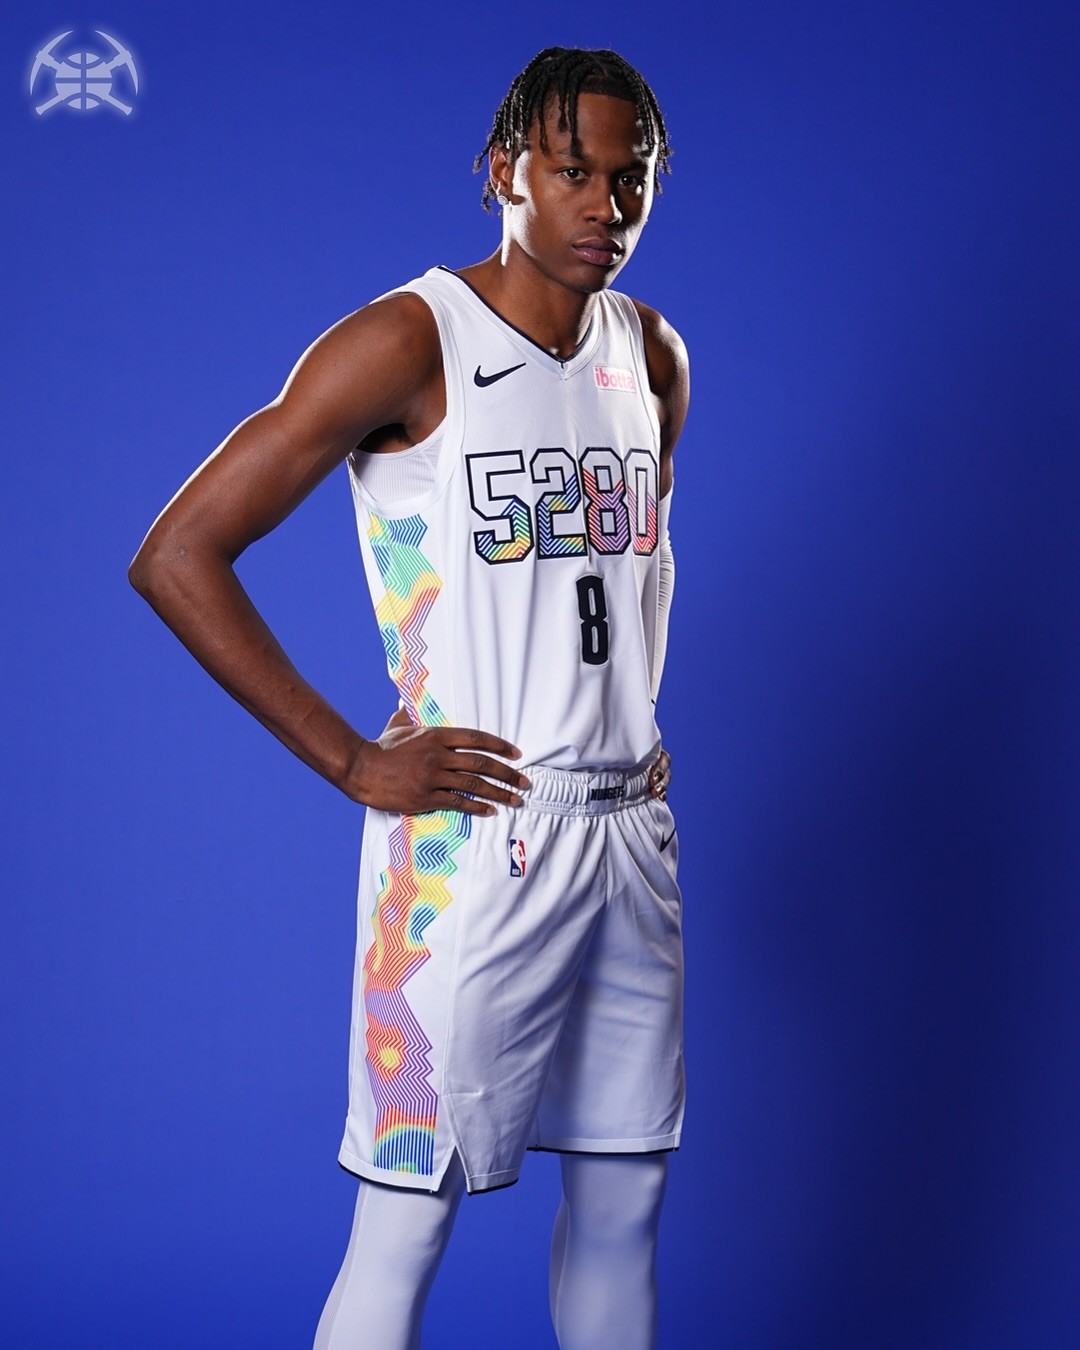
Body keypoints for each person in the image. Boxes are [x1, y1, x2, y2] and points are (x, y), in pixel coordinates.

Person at [129, 44, 689, 1350]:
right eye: (573, 171)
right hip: (471, 846)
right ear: (503, 172)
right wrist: (352, 760)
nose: (605, 205)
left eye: (631, 178)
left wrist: (619, 723)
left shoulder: (651, 353)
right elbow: (177, 552)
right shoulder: (409, 339)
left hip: (629, 841)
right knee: (407, 1217)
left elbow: (611, 579)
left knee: (625, 1203)